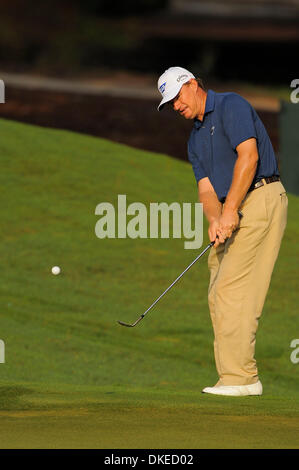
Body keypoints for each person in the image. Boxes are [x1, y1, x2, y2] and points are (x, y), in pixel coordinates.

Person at [157, 66, 288, 396]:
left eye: (176, 97)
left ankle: (241, 378)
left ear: (192, 84)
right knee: (218, 286)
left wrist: (230, 210)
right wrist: (217, 220)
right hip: (234, 207)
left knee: (231, 288)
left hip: (260, 197)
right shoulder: (194, 139)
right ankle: (238, 376)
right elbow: (205, 191)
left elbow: (249, 156)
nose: (175, 106)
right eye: (169, 103)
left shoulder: (231, 105)